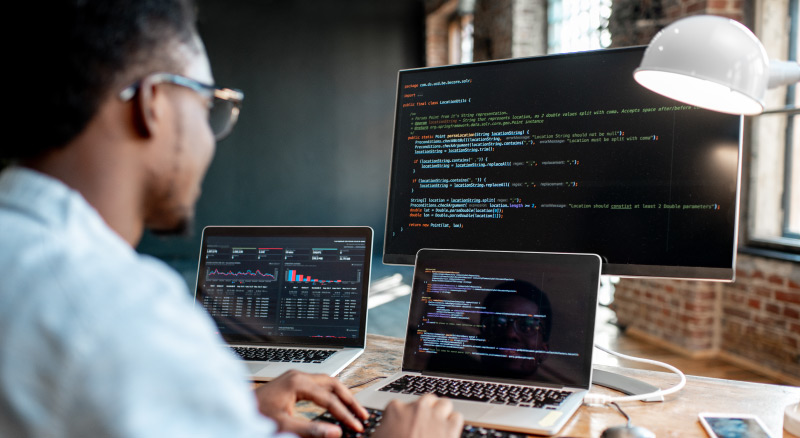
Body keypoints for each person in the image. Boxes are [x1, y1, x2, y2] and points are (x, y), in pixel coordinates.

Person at [0, 1, 463, 437]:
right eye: (208, 106)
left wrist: (238, 418)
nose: (212, 138)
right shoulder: (123, 311)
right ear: (153, 103)